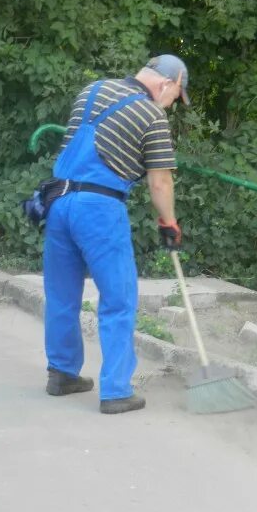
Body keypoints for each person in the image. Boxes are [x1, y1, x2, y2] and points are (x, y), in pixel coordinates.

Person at [42, 54, 190, 414]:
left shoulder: (93, 90)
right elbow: (160, 181)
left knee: (62, 293)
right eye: (175, 97)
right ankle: (116, 390)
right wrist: (169, 223)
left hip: (58, 201)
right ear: (167, 84)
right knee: (118, 298)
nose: (171, 106)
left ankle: (61, 373)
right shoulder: (152, 116)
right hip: (99, 209)